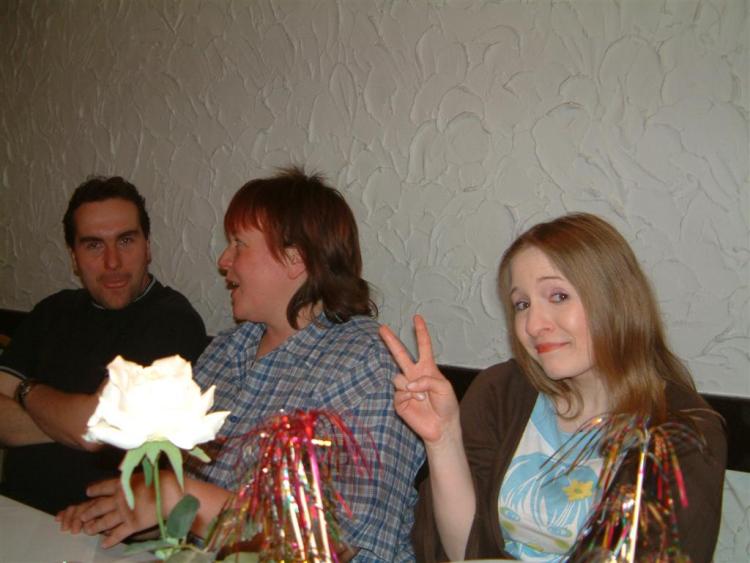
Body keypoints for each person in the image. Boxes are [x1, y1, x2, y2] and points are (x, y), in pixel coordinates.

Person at [57, 168, 425, 562]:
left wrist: (181, 496)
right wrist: (130, 510)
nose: (223, 260)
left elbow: (332, 546)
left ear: (295, 258)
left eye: (239, 244)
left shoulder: (368, 363)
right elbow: (188, 504)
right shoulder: (228, 349)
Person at [379, 213, 726, 562]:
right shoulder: (501, 392)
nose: (533, 324)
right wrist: (443, 440)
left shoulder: (683, 431)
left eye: (558, 296)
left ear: (615, 297)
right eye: (522, 304)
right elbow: (463, 553)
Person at [0, 176, 208, 514]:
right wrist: (69, 422)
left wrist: (26, 391)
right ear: (73, 257)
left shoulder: (172, 320)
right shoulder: (52, 311)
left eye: (125, 240)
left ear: (148, 247)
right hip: (12, 510)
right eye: (94, 245)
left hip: (98, 528)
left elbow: (92, 430)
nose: (113, 262)